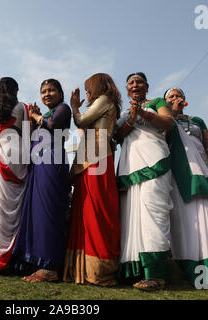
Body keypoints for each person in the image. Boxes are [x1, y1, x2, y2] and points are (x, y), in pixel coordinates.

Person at [165, 88, 208, 287]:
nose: (176, 98)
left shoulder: (198, 120)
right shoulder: (166, 118)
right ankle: (194, 274)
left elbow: (207, 142)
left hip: (202, 169)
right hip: (179, 171)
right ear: (165, 102)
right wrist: (173, 113)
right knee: (188, 219)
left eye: (179, 95)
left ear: (185, 99)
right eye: (171, 97)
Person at [115, 73, 175, 291]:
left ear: (147, 86)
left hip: (154, 160)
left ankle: (156, 274)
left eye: (139, 81)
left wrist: (142, 113)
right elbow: (119, 136)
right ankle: (134, 271)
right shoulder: (123, 112)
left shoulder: (157, 102)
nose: (135, 84)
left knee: (153, 215)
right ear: (127, 88)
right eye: (131, 82)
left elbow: (169, 123)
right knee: (131, 219)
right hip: (130, 167)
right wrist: (131, 117)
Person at [63, 73, 121, 287]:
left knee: (95, 211)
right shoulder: (105, 104)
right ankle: (85, 270)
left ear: (99, 88)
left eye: (89, 89)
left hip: (97, 159)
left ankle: (99, 270)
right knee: (85, 212)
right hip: (91, 157)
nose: (86, 93)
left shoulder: (104, 100)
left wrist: (74, 107)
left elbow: (80, 120)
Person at [11, 79, 71, 282]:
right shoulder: (44, 115)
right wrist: (32, 119)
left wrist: (36, 116)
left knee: (49, 212)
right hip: (38, 164)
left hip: (52, 161)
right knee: (37, 214)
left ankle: (50, 267)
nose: (47, 94)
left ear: (61, 93)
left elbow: (53, 125)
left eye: (52, 90)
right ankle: (36, 261)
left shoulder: (64, 108)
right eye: (43, 91)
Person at [0, 77, 29, 275]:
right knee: (16, 207)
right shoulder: (22, 106)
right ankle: (15, 258)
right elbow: (27, 134)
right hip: (16, 151)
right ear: (16, 90)